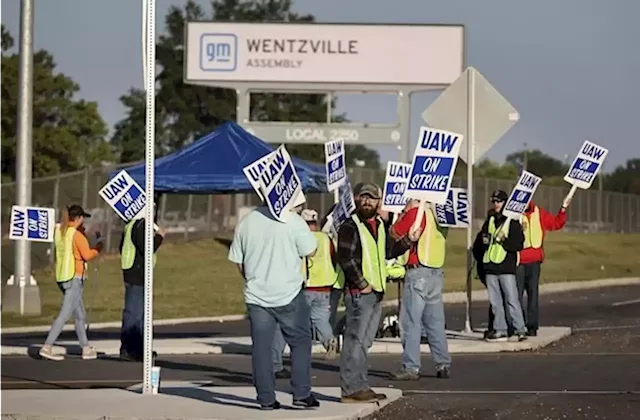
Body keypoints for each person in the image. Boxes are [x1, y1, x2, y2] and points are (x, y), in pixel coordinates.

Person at [228, 202, 320, 410]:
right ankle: (301, 393)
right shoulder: (293, 220)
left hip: (257, 296)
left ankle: (266, 399)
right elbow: (311, 250)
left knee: (261, 349)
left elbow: (238, 261)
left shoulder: (246, 222)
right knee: (300, 342)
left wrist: (253, 278)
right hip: (289, 293)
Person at [336, 182, 418, 403]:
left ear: (378, 201)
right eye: (363, 197)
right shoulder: (350, 226)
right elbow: (345, 257)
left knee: (364, 342)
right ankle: (351, 389)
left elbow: (389, 251)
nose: (367, 201)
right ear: (355, 198)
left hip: (376, 292)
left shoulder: (380, 225)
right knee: (355, 340)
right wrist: (362, 284)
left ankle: (360, 385)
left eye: (371, 198)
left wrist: (409, 240)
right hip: (360, 293)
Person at [389, 199, 452, 380]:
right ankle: (443, 363)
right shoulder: (440, 216)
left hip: (418, 271)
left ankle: (411, 367)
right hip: (436, 271)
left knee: (410, 322)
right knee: (435, 322)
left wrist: (404, 213)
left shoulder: (416, 213)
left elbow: (394, 232)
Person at [39, 205, 103, 361]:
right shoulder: (76, 235)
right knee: (65, 314)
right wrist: (98, 246)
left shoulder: (61, 232)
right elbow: (87, 255)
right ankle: (47, 346)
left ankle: (86, 348)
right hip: (74, 277)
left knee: (80, 315)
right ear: (79, 218)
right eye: (82, 218)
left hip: (63, 277)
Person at [479, 190, 528, 342]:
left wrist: (504, 241)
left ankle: (520, 329)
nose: (496, 204)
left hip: (506, 267)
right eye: (494, 201)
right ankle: (500, 329)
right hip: (491, 267)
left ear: (505, 202)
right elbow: (483, 238)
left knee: (512, 300)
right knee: (495, 303)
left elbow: (519, 244)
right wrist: (484, 240)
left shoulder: (512, 222)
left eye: (499, 201)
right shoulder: (491, 219)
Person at [118, 211, 166, 361]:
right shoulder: (141, 225)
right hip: (137, 275)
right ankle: (129, 349)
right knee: (134, 314)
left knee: (142, 314)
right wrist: (159, 237)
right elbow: (147, 248)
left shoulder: (131, 224)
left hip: (135, 273)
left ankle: (141, 349)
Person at [517, 199, 569, 336]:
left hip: (534, 261)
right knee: (517, 295)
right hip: (518, 261)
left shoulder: (539, 213)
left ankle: (532, 326)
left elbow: (556, 223)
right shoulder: (514, 214)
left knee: (533, 294)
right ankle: (519, 325)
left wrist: (563, 209)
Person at [300, 209, 340, 359]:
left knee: (300, 320)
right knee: (321, 319)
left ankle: (301, 350)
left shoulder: (301, 238)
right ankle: (329, 340)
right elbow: (334, 258)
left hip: (307, 285)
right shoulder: (326, 238)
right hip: (325, 286)